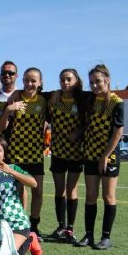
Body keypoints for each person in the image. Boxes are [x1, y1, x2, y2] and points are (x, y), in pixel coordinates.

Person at [74, 64, 124, 250]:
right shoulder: (90, 100)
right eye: (92, 82)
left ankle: (106, 238)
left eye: (98, 82)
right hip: (90, 154)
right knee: (90, 196)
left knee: (108, 196)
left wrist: (105, 155)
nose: (94, 86)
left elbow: (118, 132)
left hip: (108, 157)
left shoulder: (117, 102)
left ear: (107, 80)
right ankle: (88, 235)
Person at [1, 67, 49, 240]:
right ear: (22, 81)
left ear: (40, 83)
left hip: (35, 153)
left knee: (37, 190)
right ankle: (22, 225)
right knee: (20, 190)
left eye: (33, 80)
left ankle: (35, 226)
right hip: (16, 152)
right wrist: (9, 109)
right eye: (27, 80)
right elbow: (2, 127)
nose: (30, 84)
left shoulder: (44, 101)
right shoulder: (15, 98)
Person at [0, 138, 42, 255]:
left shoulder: (12, 168)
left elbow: (34, 183)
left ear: (4, 155)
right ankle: (28, 239)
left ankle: (30, 238)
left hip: (18, 222)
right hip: (0, 225)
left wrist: (11, 172)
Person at [47, 68, 86, 243]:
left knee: (71, 190)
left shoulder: (84, 99)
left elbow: (90, 122)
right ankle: (61, 226)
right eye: (62, 80)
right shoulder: (54, 98)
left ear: (76, 80)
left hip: (76, 153)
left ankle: (70, 228)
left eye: (69, 79)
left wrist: (78, 132)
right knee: (59, 190)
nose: (65, 83)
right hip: (58, 151)